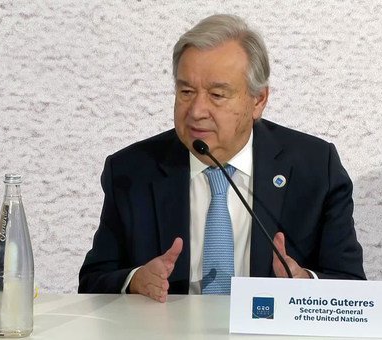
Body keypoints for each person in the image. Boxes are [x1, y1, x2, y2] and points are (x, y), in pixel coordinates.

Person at [79, 14, 365, 302]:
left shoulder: (315, 168)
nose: (196, 110)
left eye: (217, 94)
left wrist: (306, 283)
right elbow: (91, 282)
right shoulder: (132, 171)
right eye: (186, 91)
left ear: (258, 100)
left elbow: (352, 286)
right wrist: (135, 280)